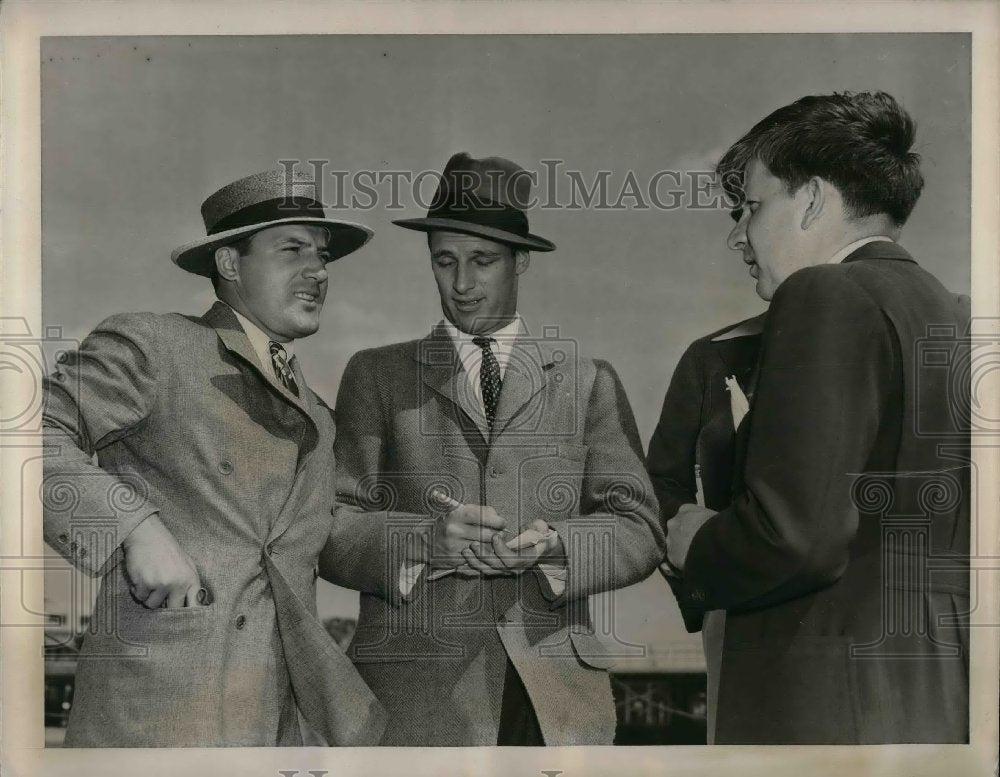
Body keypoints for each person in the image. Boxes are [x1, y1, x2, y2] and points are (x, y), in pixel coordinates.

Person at [321, 152, 665, 745]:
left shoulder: (589, 380)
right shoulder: (375, 375)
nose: (461, 283)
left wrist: (558, 548)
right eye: (445, 261)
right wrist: (421, 540)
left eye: (482, 261)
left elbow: (640, 526)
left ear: (520, 260)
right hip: (414, 703)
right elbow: (327, 526)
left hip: (554, 702)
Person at [664, 91, 970, 744]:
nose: (737, 232)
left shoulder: (824, 293)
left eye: (752, 206)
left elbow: (794, 535)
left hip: (820, 711)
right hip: (929, 698)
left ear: (812, 199)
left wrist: (696, 542)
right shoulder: (951, 311)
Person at [41, 169, 386, 746]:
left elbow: (328, 534)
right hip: (162, 716)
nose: (319, 272)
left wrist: (424, 540)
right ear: (229, 263)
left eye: (322, 256)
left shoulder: (320, 416)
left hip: (280, 721)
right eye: (292, 250)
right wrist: (134, 527)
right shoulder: (154, 345)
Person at [646, 308, 765, 743]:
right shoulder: (713, 355)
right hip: (736, 613)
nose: (739, 240)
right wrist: (705, 565)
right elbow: (660, 482)